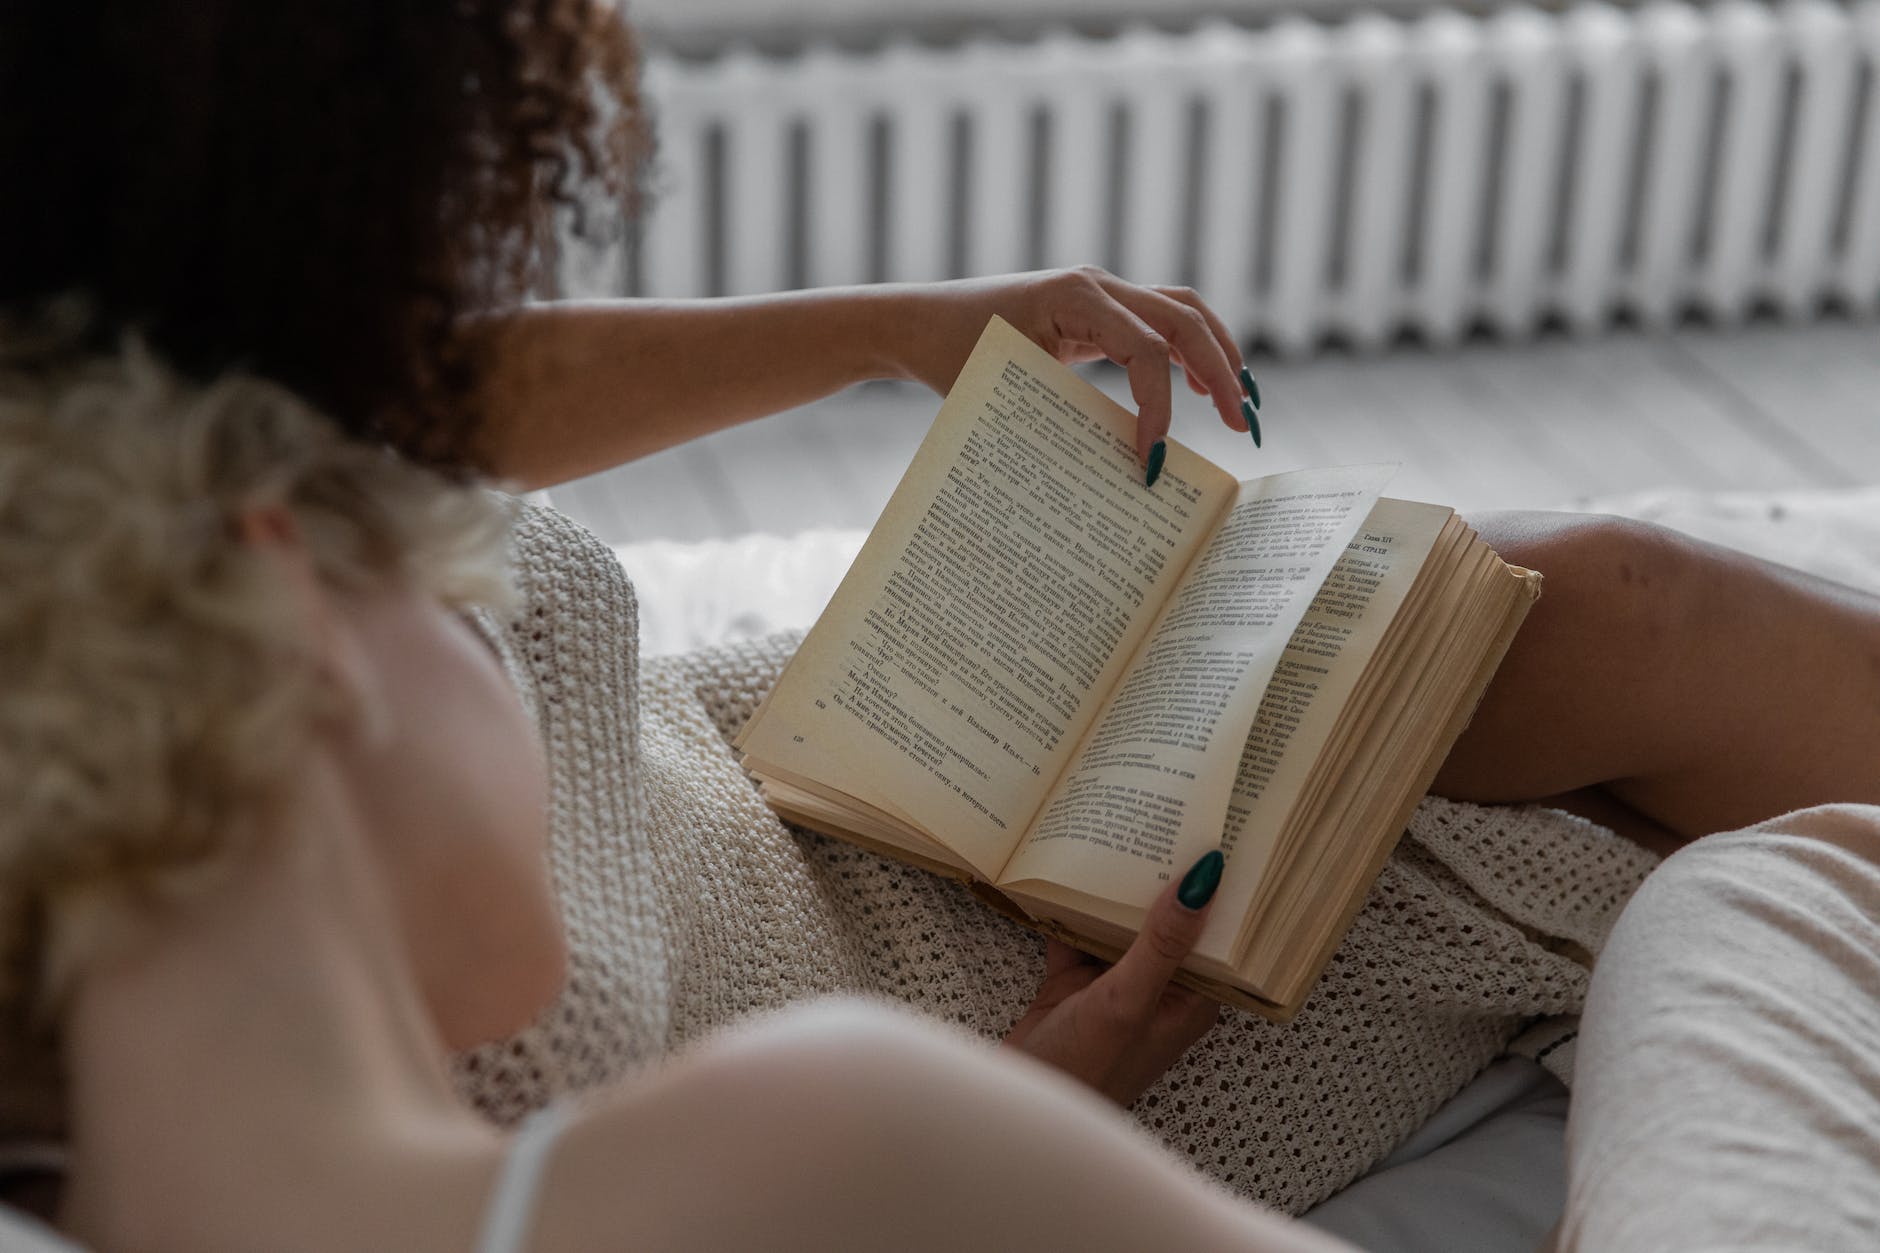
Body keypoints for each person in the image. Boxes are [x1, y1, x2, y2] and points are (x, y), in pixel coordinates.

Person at [4, 0, 1878, 1245]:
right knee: (1699, 808)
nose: (413, 514)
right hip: (1013, 992)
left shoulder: (107, 731)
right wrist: (1032, 1112)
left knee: (1566, 612)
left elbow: (337, 387)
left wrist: (882, 327)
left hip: (814, 797)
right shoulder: (812, 1142)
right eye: (392, 570)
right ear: (275, 638)